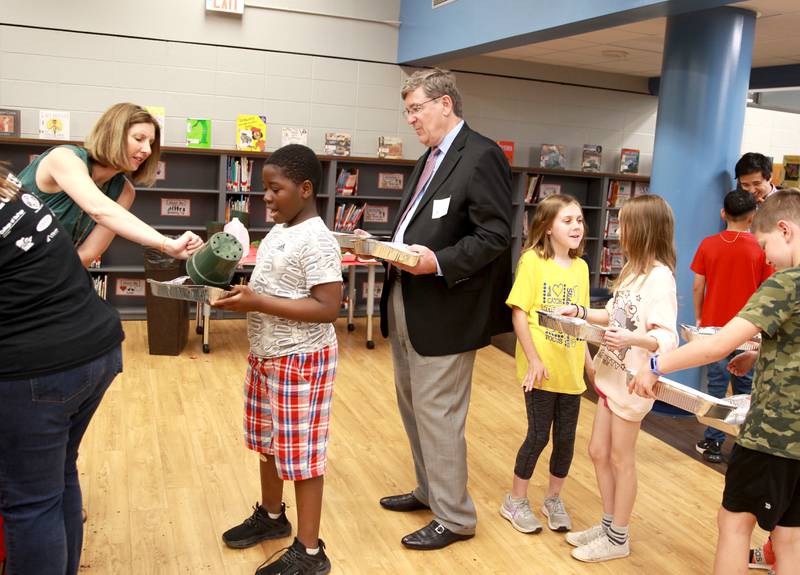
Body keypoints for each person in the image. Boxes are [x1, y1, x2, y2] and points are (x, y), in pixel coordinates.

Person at [376, 68, 513, 550]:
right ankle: (429, 490)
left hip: (447, 305)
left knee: (439, 413)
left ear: (446, 104)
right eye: (408, 110)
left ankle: (454, 518)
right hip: (407, 298)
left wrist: (438, 262)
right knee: (413, 405)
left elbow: (495, 235)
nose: (411, 119)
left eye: (417, 109)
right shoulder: (429, 158)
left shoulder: (481, 155)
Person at [629, 189, 800, 575]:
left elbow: (716, 345)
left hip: (774, 438)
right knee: (789, 537)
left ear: (785, 230)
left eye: (765, 244)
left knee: (735, 524)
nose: (766, 256)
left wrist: (655, 364)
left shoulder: (785, 283)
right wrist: (759, 353)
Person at [212, 144, 341, 575]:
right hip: (267, 357)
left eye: (274, 189)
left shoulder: (318, 240)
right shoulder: (280, 230)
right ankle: (271, 517)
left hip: (301, 362)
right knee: (268, 444)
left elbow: (328, 307)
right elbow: (273, 290)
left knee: (301, 456)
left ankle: (309, 553)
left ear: (304, 189)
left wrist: (258, 302)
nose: (265, 197)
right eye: (264, 188)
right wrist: (241, 295)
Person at [0, 165, 126, 575]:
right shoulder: (10, 186)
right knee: (58, 476)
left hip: (39, 371)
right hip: (95, 346)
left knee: (31, 502)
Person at [555, 194, 678, 563]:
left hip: (632, 383)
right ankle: (608, 524)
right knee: (597, 452)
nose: (618, 230)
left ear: (640, 229)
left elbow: (666, 337)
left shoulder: (660, 279)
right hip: (610, 377)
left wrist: (633, 339)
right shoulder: (631, 272)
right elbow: (613, 314)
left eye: (623, 224)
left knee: (621, 459)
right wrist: (579, 312)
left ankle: (618, 536)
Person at [500, 195, 594, 535]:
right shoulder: (532, 262)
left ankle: (553, 498)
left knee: (566, 440)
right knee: (538, 435)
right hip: (540, 368)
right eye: (567, 220)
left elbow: (580, 322)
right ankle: (515, 500)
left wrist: (589, 363)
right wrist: (534, 359)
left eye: (580, 220)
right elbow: (519, 314)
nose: (576, 227)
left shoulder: (582, 268)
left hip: (571, 370)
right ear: (547, 227)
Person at [17, 102, 202, 265]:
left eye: (151, 143)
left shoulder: (124, 191)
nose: (146, 150)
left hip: (44, 275)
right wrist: (167, 244)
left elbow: (88, 254)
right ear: (113, 135)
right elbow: (98, 209)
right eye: (139, 139)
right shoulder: (63, 157)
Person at [692, 189, 773, 463]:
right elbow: (765, 289)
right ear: (752, 218)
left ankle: (713, 443)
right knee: (745, 390)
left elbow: (697, 285)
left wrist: (700, 317)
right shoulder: (761, 248)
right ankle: (742, 445)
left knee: (716, 389)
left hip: (715, 329)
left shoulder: (708, 244)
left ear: (723, 213)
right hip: (749, 330)